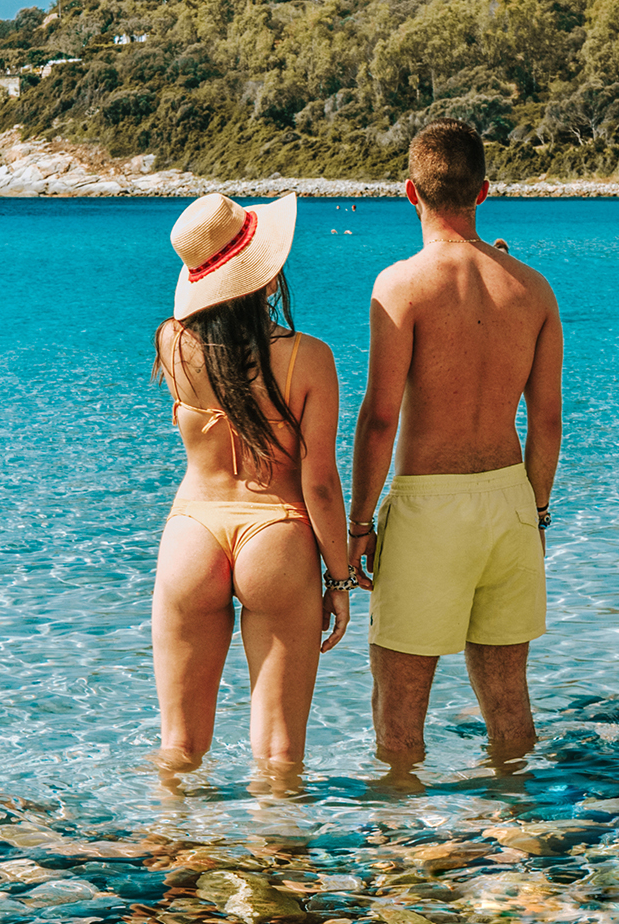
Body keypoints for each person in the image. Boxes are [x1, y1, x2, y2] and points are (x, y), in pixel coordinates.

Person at [348, 122, 562, 772]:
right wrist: (537, 514)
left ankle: (402, 835)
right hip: (510, 502)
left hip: (428, 508)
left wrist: (359, 525)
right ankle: (516, 823)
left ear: (409, 192)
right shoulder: (532, 289)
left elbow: (380, 419)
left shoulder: (401, 285)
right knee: (509, 707)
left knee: (399, 724)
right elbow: (548, 421)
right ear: (483, 191)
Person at [149, 194, 355, 774]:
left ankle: (168, 831)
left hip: (192, 533)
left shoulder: (172, 342)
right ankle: (280, 837)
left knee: (178, 747)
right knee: (279, 753)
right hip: (277, 536)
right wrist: (339, 579)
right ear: (263, 272)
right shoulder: (308, 358)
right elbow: (320, 484)